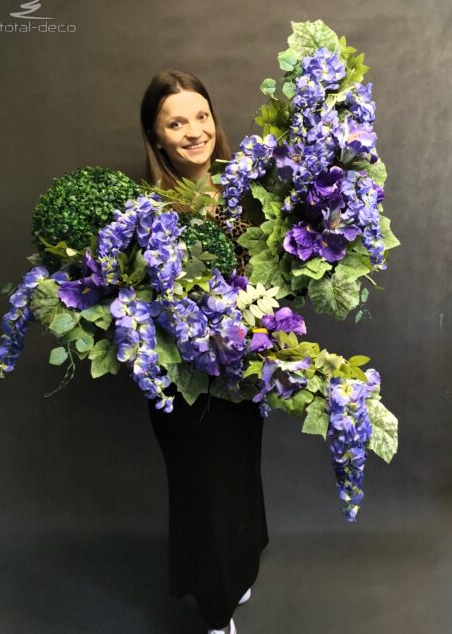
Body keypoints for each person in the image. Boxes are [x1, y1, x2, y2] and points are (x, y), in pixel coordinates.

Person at [140, 70, 269, 634]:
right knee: (205, 490)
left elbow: (273, 274)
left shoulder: (248, 192)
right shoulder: (148, 207)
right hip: (182, 378)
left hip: (241, 370)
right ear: (157, 136)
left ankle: (232, 569)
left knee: (239, 475)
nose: (194, 131)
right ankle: (217, 614)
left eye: (202, 116)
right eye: (176, 122)